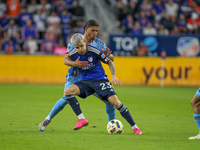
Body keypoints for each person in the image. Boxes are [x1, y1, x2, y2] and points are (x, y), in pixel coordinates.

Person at [39, 19, 115, 131]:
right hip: (75, 76)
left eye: (96, 31)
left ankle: (111, 125)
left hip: (92, 78)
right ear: (86, 29)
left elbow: (110, 59)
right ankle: (47, 119)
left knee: (109, 101)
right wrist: (76, 64)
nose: (95, 33)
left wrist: (109, 55)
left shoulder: (99, 43)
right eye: (92, 30)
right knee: (66, 98)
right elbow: (65, 60)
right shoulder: (76, 41)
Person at [63, 33, 142, 134]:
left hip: (100, 80)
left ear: (85, 42)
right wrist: (74, 64)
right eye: (77, 47)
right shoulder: (73, 52)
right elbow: (65, 60)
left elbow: (110, 62)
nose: (80, 49)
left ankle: (135, 127)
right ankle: (82, 119)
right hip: (85, 82)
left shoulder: (94, 50)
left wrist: (113, 76)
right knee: (67, 92)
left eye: (81, 46)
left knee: (116, 103)